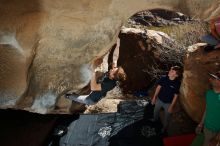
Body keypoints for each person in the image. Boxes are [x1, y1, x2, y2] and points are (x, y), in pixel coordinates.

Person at [151, 66, 182, 134]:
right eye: (170, 70)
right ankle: (155, 119)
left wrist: (171, 106)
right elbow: (158, 88)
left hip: (168, 103)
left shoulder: (177, 83)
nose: (170, 71)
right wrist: (154, 98)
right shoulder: (163, 78)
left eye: (172, 71)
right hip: (159, 99)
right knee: (155, 111)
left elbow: (176, 96)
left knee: (167, 117)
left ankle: (164, 128)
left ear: (176, 75)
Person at [195, 71, 220, 146]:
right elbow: (207, 109)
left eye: (213, 78)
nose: (210, 79)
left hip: (217, 131)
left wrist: (217, 137)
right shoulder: (209, 93)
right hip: (207, 128)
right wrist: (201, 124)